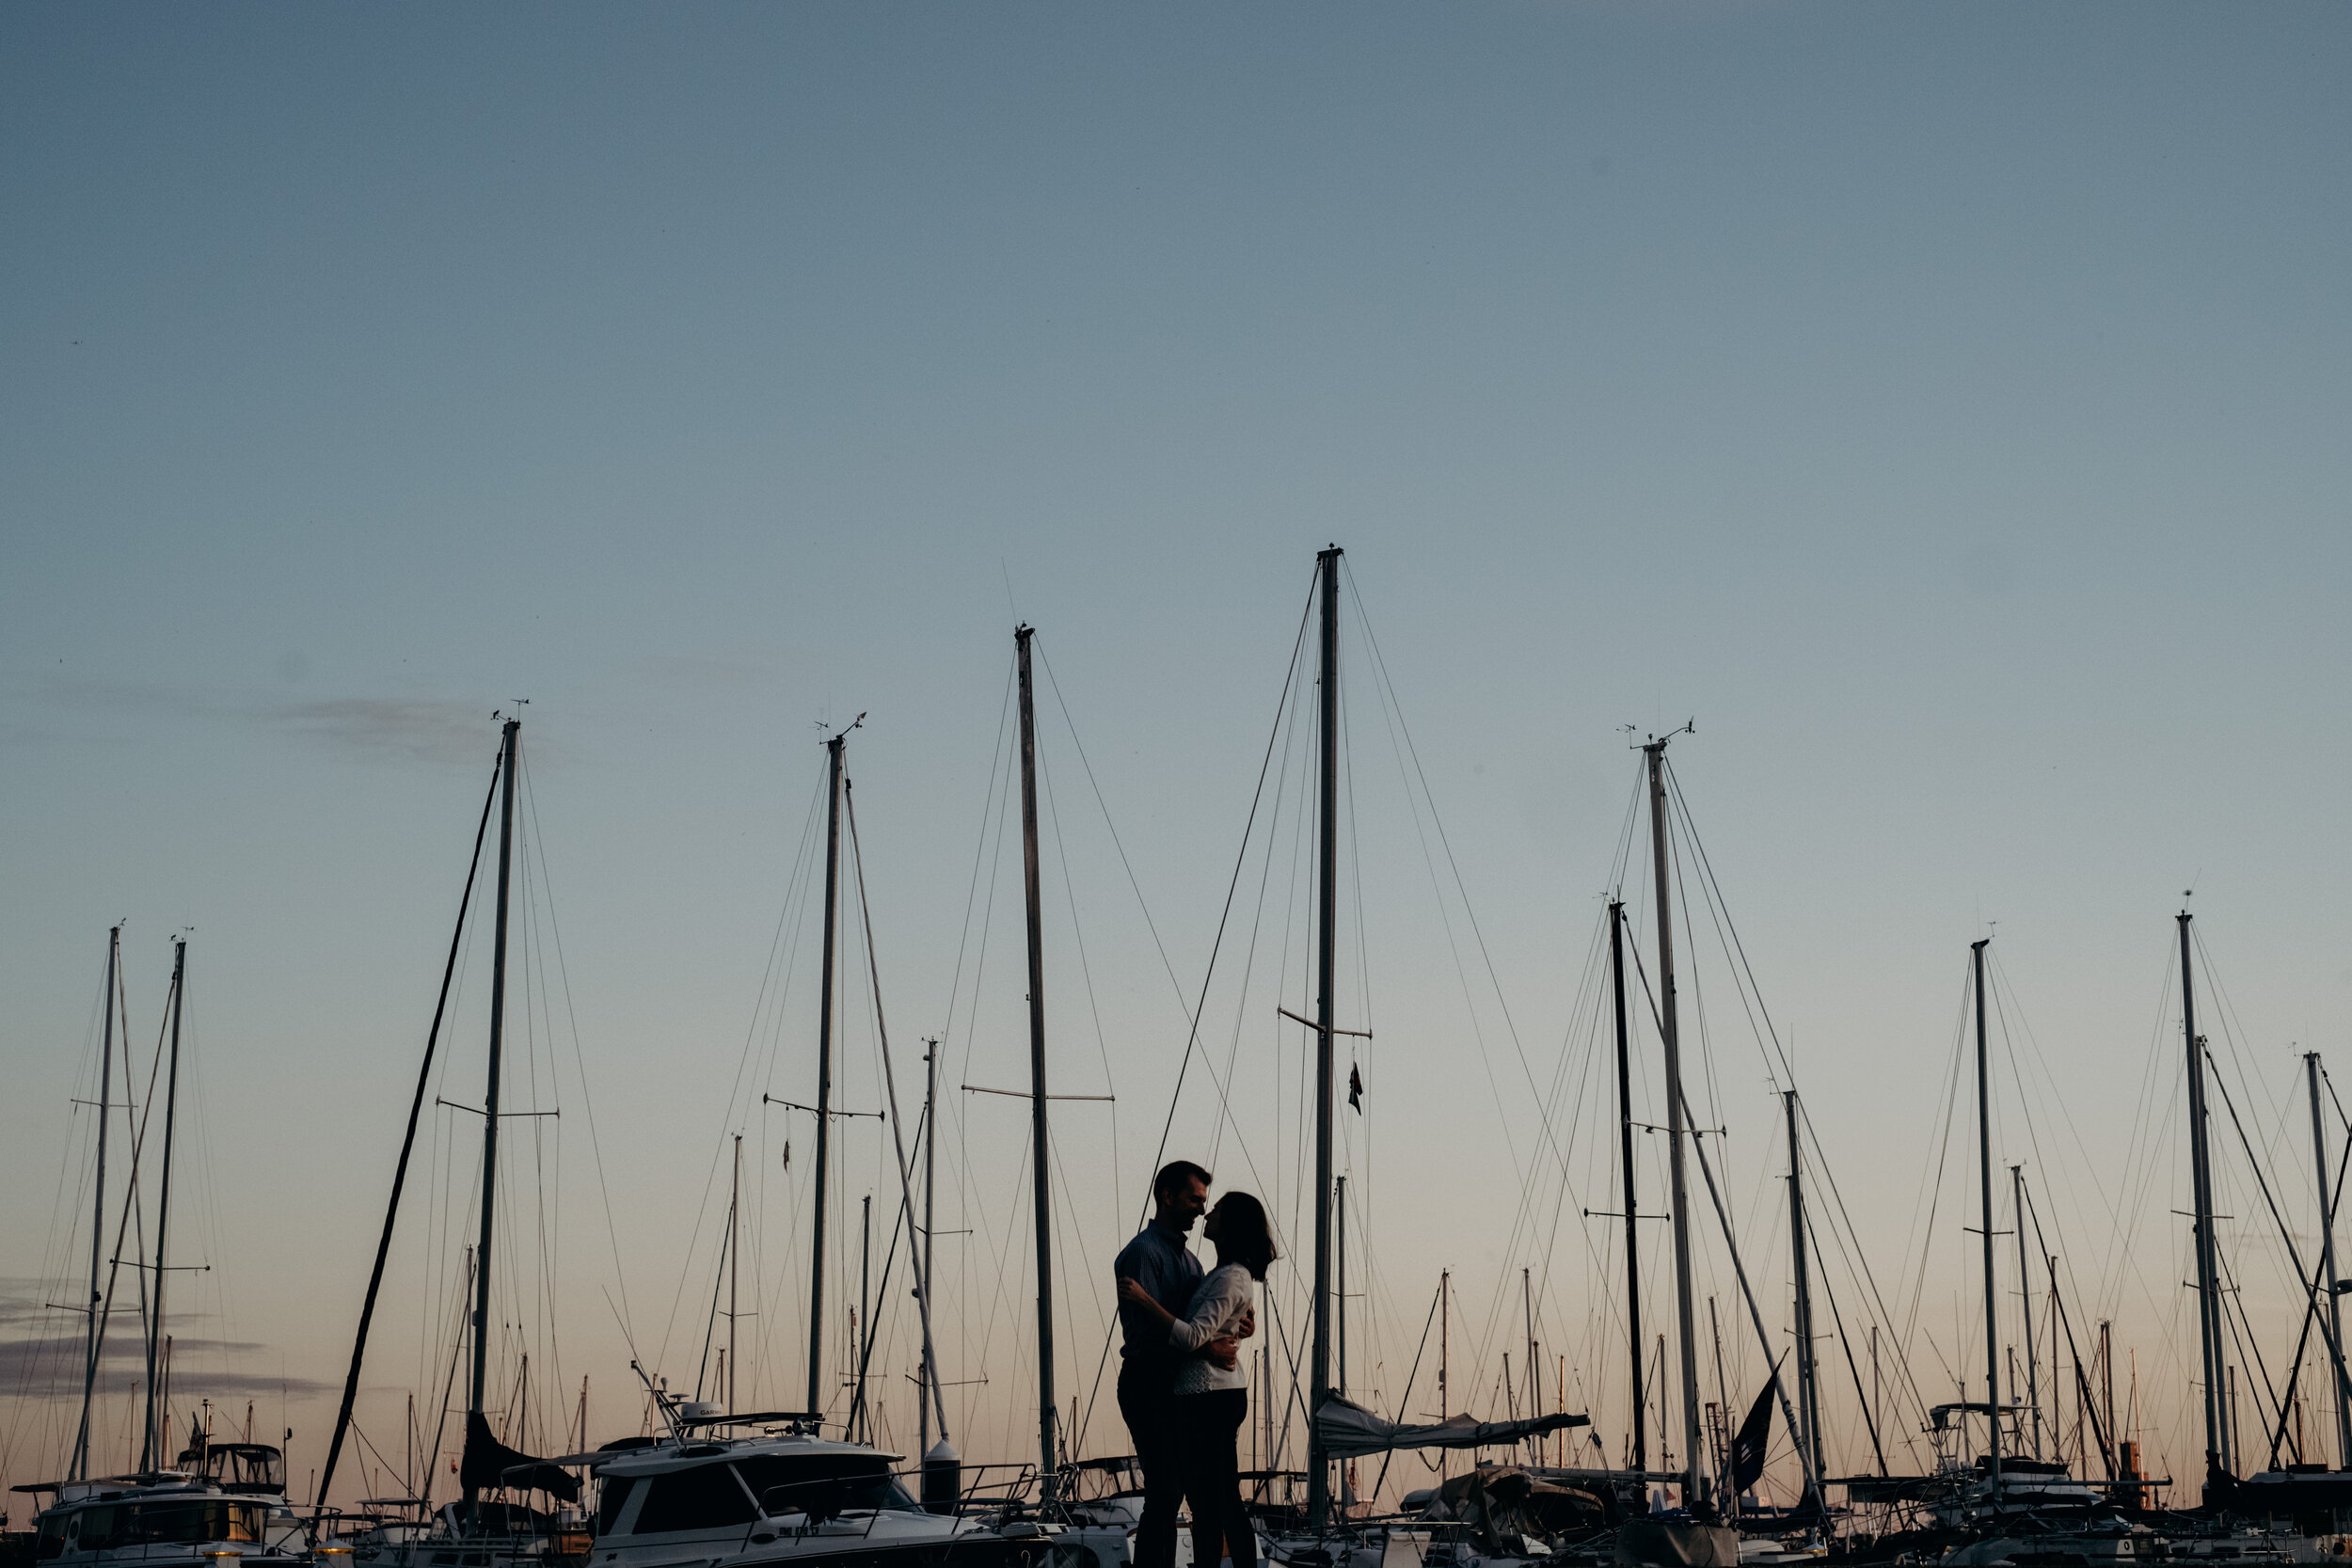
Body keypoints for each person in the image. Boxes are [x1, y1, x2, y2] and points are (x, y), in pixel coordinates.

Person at [1118, 1191, 1279, 1568]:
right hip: (1199, 1392)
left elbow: (1193, 1334)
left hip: (1209, 1396)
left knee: (1212, 1498)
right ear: (1169, 1197)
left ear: (1233, 1225)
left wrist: (1144, 1299)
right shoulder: (1207, 1270)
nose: (1206, 1211)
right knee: (1203, 1497)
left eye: (1216, 1207)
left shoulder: (1222, 1275)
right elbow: (1205, 1329)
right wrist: (1226, 1335)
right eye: (1198, 1200)